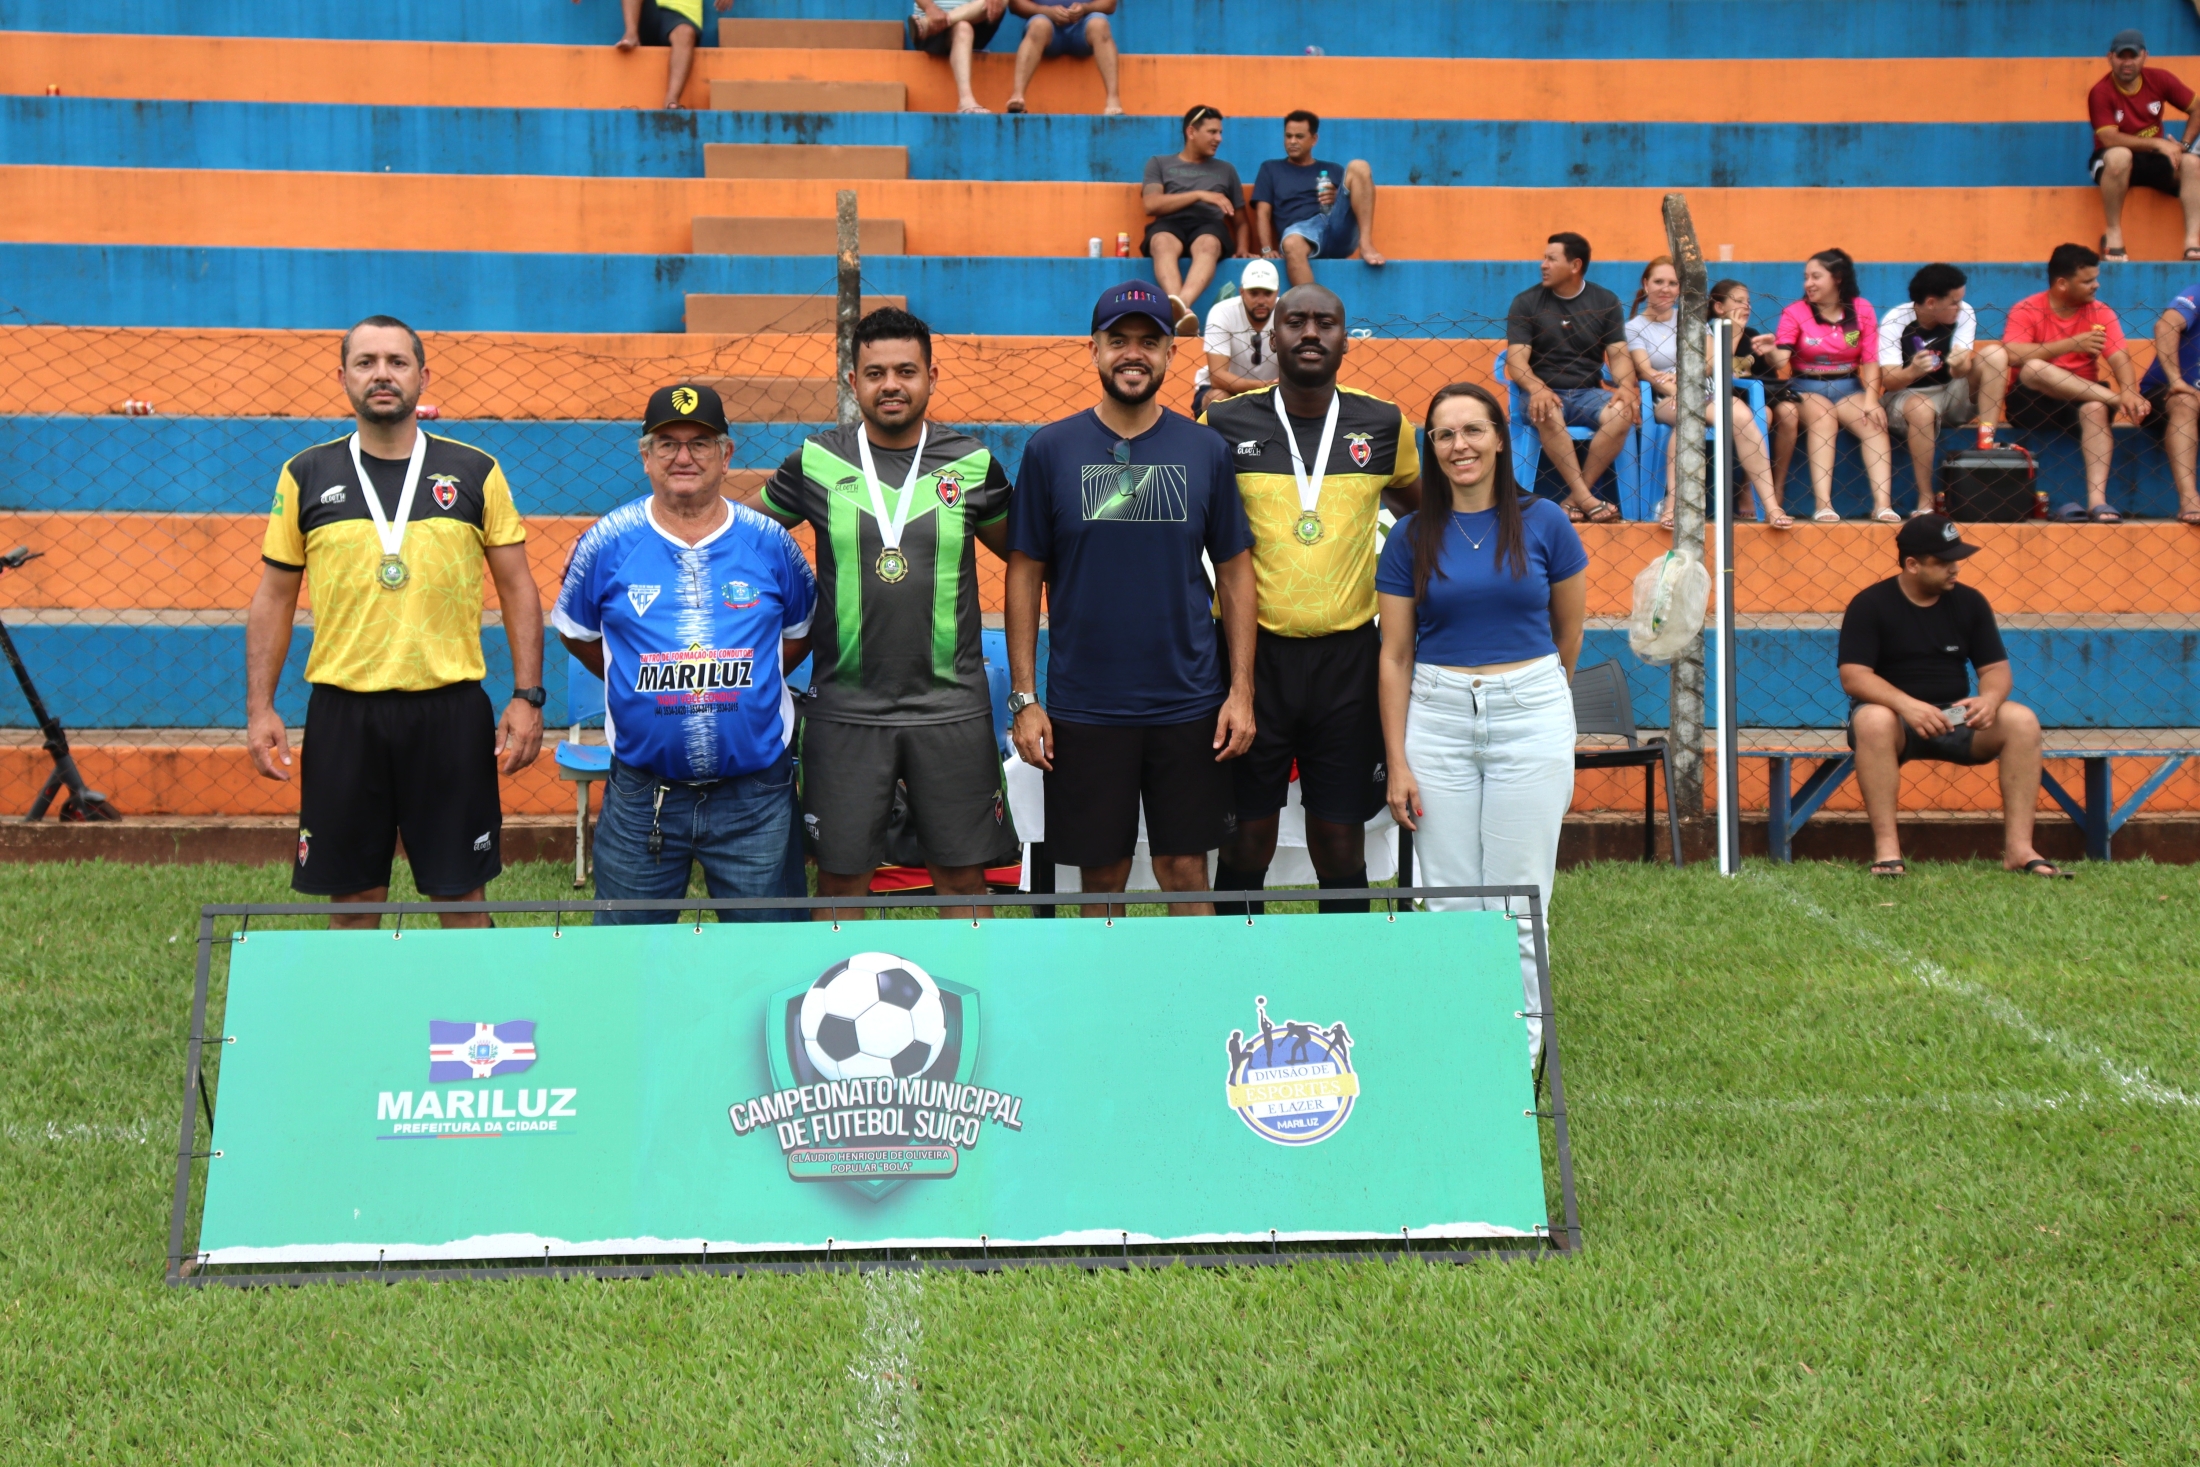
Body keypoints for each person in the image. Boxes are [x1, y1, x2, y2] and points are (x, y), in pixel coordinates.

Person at [246, 315, 545, 929]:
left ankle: (470, 999)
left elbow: (518, 587)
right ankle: (360, 1000)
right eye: (366, 362)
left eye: (396, 362)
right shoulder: (305, 474)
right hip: (344, 715)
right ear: (343, 377)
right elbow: (274, 597)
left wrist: (527, 695)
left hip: (449, 711)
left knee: (461, 899)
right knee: (354, 904)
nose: (381, 374)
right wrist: (260, 708)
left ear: (422, 376)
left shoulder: (475, 471)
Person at [754, 308, 1015, 920]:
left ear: (931, 376)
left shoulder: (972, 464)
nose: (891, 385)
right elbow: (743, 541)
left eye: (905, 371)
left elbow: (1024, 558)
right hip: (846, 710)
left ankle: (970, 981)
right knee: (841, 882)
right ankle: (839, 987)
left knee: (963, 880)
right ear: (853, 381)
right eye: (875, 373)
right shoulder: (815, 462)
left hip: (950, 707)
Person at [1005, 282, 1257, 917]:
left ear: (1171, 353)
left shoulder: (1205, 450)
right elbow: (1024, 574)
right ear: (1093, 350)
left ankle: (1192, 986)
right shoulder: (1049, 451)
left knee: (1185, 869)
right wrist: (1025, 699)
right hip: (1087, 706)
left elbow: (1235, 572)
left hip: (1189, 701)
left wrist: (1241, 691)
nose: (1133, 354)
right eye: (1118, 340)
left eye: (1149, 341)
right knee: (1102, 874)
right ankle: (1105, 988)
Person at [552, 384, 817, 924]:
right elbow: (576, 633)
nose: (683, 456)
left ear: (726, 454)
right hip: (642, 795)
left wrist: (749, 684)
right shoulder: (605, 543)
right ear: (645, 456)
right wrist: (633, 683)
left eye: (700, 443)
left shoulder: (770, 542)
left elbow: (800, 631)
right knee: (629, 957)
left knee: (768, 955)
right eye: (667, 443)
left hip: (755, 796)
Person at [1375, 383, 1587, 1056]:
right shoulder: (1410, 536)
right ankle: (1460, 1046)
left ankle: (1517, 1056)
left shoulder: (1545, 521)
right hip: (1436, 721)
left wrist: (1532, 698)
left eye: (1472, 430)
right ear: (1430, 448)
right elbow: (1395, 655)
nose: (1458, 445)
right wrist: (1398, 762)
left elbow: (1567, 632)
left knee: (1518, 901)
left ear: (1500, 437)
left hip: (1530, 713)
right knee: (1449, 901)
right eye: (1444, 434)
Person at [1200, 284, 1420, 915]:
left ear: (1346, 339)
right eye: (1296, 321)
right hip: (1249, 659)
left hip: (1347, 660)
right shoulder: (1223, 424)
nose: (1311, 333)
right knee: (1247, 839)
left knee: (1340, 842)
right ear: (1272, 338)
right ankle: (1236, 965)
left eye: (1326, 322)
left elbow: (1424, 513)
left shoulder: (1384, 424)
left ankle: (1342, 967)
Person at [1838, 514, 2068, 879]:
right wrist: (1907, 706)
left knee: (2021, 720)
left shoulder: (1970, 602)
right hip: (1895, 720)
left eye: (1957, 559)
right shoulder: (1870, 603)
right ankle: (1888, 851)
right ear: (1912, 564)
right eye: (1943, 561)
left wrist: (1989, 700)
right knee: (1873, 719)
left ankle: (2019, 850)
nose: (1955, 568)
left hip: (1955, 718)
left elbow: (1996, 670)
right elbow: (1854, 676)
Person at [1625, 256, 1789, 528]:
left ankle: (1771, 507)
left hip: (1706, 390)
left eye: (1672, 283)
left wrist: (1686, 379)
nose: (1666, 289)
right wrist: (1677, 389)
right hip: (1666, 397)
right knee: (1689, 415)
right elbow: (1645, 371)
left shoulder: (1690, 319)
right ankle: (1673, 506)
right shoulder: (1634, 328)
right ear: (1646, 284)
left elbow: (1712, 360)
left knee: (1743, 417)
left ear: (1680, 288)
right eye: (1659, 282)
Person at [2002, 242, 2149, 523]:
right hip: (2033, 403)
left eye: (2096, 278)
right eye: (2087, 281)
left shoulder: (2100, 311)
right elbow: (2012, 354)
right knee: (2033, 368)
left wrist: (2130, 390)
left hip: (2083, 396)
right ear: (2062, 284)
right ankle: (2115, 399)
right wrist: (2071, 344)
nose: (2096, 285)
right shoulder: (2027, 308)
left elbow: (2119, 356)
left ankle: (2097, 501)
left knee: (2095, 408)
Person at [1502, 232, 1639, 523]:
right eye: (1544, 258)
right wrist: (1537, 388)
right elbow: (1516, 361)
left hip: (1587, 393)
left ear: (1575, 265)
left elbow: (1618, 355)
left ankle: (1575, 499)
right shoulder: (1526, 302)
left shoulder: (1605, 301)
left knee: (1623, 412)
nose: (1543, 265)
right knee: (1547, 408)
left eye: (1551, 259)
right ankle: (1588, 500)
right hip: (1541, 393)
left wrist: (1626, 386)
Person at [1767, 247, 1897, 523]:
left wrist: (1872, 400)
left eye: (1816, 277)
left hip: (1848, 385)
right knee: (1824, 418)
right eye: (1806, 277)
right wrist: (1769, 350)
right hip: (1805, 387)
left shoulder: (1861, 309)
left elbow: (1871, 360)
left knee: (1873, 423)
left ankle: (1882, 505)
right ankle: (1823, 504)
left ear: (1837, 278)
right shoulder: (1795, 312)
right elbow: (1780, 361)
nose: (1808, 284)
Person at [1878, 263, 2011, 514]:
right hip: (1907, 397)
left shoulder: (1964, 313)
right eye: (1954, 302)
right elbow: (1890, 381)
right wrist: (1913, 371)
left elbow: (1959, 371)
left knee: (1995, 354)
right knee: (1921, 408)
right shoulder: (1895, 320)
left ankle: (1986, 439)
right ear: (1931, 303)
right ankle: (1925, 497)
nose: (1960, 307)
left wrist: (1960, 365)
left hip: (1950, 391)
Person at [2087, 29, 2200, 262]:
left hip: (2152, 159)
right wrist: (2159, 143)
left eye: (2133, 56)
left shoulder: (2160, 79)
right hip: (2111, 162)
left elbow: (2197, 108)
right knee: (2120, 156)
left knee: (2192, 163)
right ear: (2110, 58)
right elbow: (2109, 138)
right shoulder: (2100, 92)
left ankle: (2192, 241)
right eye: (2121, 56)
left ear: (2145, 56)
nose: (2127, 62)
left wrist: (2184, 145)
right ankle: (2113, 234)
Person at [1140, 105, 1246, 335]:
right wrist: (1199, 194)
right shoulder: (1159, 163)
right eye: (1212, 132)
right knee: (1161, 242)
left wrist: (1243, 248)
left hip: (1209, 226)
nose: (1219, 138)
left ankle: (1181, 307)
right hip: (1170, 223)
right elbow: (1151, 204)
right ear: (1191, 132)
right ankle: (1183, 313)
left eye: (1220, 132)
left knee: (1209, 243)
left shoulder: (1226, 170)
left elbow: (1240, 220)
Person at [1250, 110, 1385, 287]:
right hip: (1300, 233)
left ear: (1314, 139)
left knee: (1359, 166)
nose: (1292, 141)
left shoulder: (1333, 169)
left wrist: (1336, 197)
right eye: (1288, 136)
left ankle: (1366, 245)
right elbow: (1263, 213)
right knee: (1291, 243)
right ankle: (1312, 303)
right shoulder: (1270, 169)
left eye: (1299, 136)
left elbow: (1348, 206)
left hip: (1335, 227)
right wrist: (1267, 248)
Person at [1714, 278, 1803, 512]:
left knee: (1789, 412)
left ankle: (1777, 486)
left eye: (1748, 302)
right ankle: (1748, 488)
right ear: (1719, 307)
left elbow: (1773, 372)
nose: (1746, 306)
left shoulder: (1751, 334)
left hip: (1758, 395)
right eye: (1738, 301)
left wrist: (1771, 349)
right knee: (1764, 414)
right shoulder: (1709, 333)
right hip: (1727, 400)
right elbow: (1717, 371)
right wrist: (1733, 333)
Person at [2139, 280, 2200, 523]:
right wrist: (2176, 380)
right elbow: (2165, 326)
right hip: (2166, 393)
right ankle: (2189, 499)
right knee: (2184, 401)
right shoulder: (2197, 292)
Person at [1002, 0, 1121, 117]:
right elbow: (1015, 4)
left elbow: (1110, 4)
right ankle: (1017, 95)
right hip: (1046, 24)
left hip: (1084, 25)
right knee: (1038, 25)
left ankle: (1113, 99)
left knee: (1100, 25)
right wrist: (1046, 11)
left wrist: (1085, 8)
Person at [1193, 257, 1280, 416]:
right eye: (1254, 293)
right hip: (1228, 390)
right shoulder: (1222, 312)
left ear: (1277, 292)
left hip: (1275, 392)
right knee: (1218, 399)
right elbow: (1218, 378)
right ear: (1242, 292)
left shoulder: (1288, 313)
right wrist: (1264, 386)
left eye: (1268, 293)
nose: (1261, 301)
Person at [614, 0, 733, 111]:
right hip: (648, 11)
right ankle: (631, 33)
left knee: (685, 33)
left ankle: (672, 99)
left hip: (683, 14)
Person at [910, 0, 1010, 115]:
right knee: (963, 28)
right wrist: (930, 8)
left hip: (974, 20)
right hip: (934, 25)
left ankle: (932, 23)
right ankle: (966, 100)